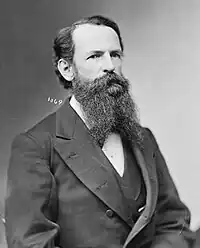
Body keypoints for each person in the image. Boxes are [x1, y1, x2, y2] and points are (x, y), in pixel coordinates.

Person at [5, 15, 196, 248]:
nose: (110, 66)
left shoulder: (143, 138)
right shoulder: (36, 146)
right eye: (95, 56)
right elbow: (30, 241)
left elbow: (173, 221)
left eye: (115, 55)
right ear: (67, 69)